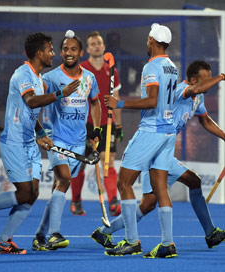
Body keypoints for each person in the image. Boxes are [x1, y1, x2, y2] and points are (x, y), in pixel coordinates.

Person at [0, 32, 80, 254]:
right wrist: (60, 93)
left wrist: (41, 132)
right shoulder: (23, 74)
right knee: (24, 192)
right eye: (50, 50)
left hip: (29, 144)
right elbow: (31, 101)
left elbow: (31, 113)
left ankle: (3, 241)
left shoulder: (38, 78)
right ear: (39, 53)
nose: (54, 53)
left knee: (32, 194)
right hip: (14, 143)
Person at [91, 61, 225, 254]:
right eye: (206, 79)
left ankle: (210, 233)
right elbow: (193, 90)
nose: (210, 83)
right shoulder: (181, 90)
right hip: (154, 148)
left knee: (194, 182)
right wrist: (221, 77)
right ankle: (106, 231)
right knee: (147, 205)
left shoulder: (198, 98)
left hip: (166, 150)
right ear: (194, 80)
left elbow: (204, 120)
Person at [103, 23, 178, 258]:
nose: (147, 43)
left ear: (152, 41)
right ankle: (167, 243)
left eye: (148, 39)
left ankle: (131, 241)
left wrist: (120, 104)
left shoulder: (151, 67)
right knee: (160, 188)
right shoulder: (172, 67)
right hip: (168, 132)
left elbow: (152, 100)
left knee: (124, 183)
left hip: (151, 130)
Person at [32, 30, 102, 251]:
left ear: (80, 52)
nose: (69, 53)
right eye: (65, 49)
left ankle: (40, 236)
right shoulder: (50, 78)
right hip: (56, 139)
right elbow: (34, 103)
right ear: (60, 52)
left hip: (78, 142)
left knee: (58, 188)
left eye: (73, 49)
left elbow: (96, 103)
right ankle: (54, 234)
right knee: (63, 180)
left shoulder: (89, 78)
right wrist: (40, 133)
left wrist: (96, 130)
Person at [69, 31, 123, 216]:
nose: (96, 46)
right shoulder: (81, 69)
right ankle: (75, 200)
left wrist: (119, 125)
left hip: (107, 124)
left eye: (98, 43)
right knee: (81, 164)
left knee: (108, 162)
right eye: (92, 44)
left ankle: (113, 201)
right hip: (86, 124)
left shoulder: (112, 71)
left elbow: (115, 99)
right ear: (87, 49)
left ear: (104, 47)